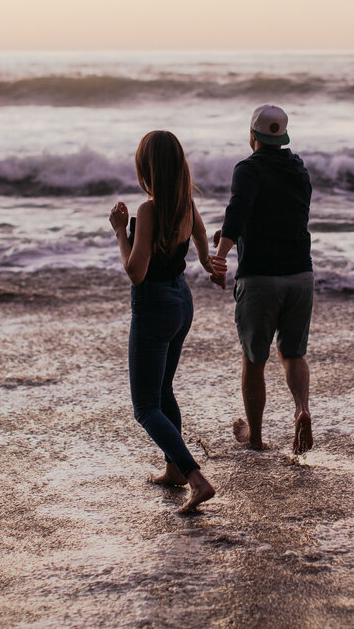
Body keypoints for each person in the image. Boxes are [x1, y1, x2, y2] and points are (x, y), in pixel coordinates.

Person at [109, 130, 216, 514]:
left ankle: (196, 478)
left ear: (146, 168)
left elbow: (135, 271)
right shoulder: (185, 203)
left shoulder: (150, 210)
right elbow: (202, 233)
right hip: (181, 302)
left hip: (154, 305)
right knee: (163, 389)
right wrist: (206, 261)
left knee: (145, 407)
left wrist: (121, 232)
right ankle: (173, 469)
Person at [208, 105, 315, 455]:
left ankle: (254, 438)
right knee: (293, 352)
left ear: (252, 135)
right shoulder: (299, 169)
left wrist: (220, 256)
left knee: (254, 360)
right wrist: (231, 234)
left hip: (260, 279)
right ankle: (301, 409)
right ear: (282, 137)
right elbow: (278, 216)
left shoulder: (248, 168)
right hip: (300, 274)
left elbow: (239, 211)